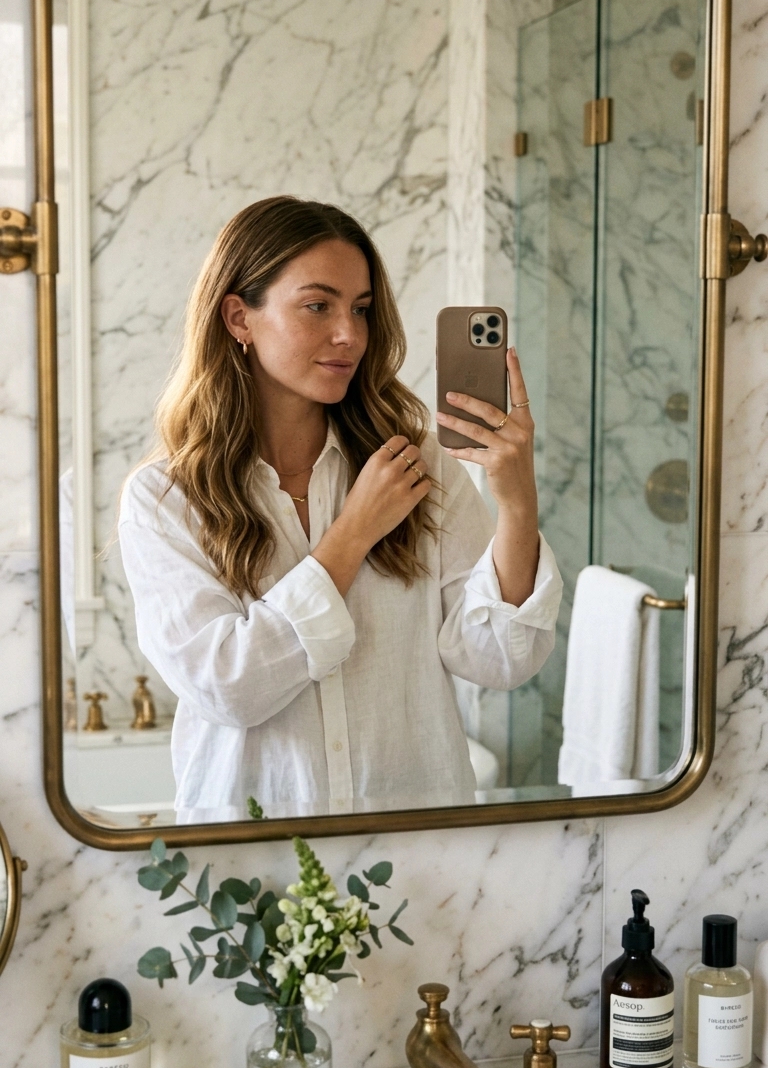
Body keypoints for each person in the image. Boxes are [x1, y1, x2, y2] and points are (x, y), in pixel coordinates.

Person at [119, 196, 562, 822]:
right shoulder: (166, 498)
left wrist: (517, 502)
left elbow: (499, 659)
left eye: (361, 309)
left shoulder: (417, 465)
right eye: (317, 305)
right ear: (239, 317)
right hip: (255, 871)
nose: (349, 335)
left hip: (423, 859)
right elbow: (227, 686)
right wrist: (351, 536)